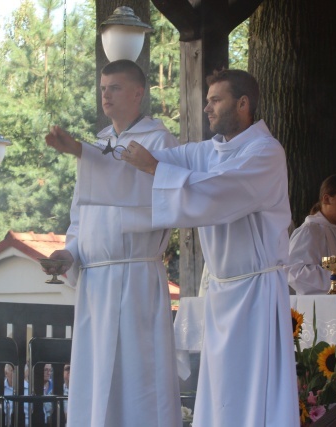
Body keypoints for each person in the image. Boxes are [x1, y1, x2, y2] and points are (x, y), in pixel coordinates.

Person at [55, 69, 298, 426]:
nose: (207, 108)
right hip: (222, 291)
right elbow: (141, 167)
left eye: (216, 100)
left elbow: (220, 192)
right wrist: (81, 150)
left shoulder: (265, 152)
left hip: (255, 292)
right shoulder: (211, 152)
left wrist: (155, 167)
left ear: (243, 104)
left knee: (253, 389)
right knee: (220, 394)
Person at [44, 59, 182, 426]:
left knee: (137, 381)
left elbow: (144, 189)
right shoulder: (98, 143)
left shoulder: (159, 142)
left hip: (135, 277)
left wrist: (80, 151)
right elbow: (81, 214)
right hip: (95, 284)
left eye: (115, 88)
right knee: (93, 379)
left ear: (138, 93)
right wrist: (69, 252)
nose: (106, 95)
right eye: (103, 88)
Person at [288, 174, 336, 295]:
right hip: (320, 308)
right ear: (327, 199)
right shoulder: (309, 231)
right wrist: (335, 272)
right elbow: (294, 273)